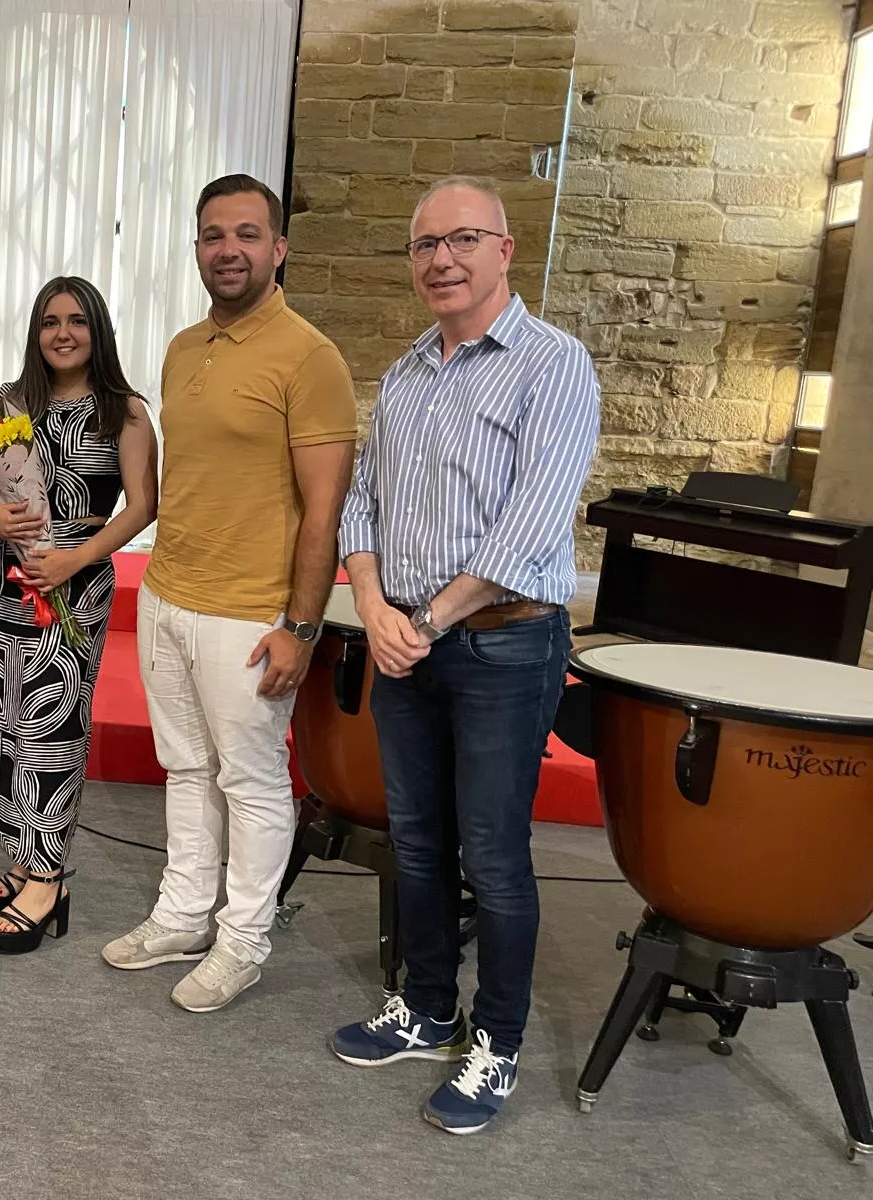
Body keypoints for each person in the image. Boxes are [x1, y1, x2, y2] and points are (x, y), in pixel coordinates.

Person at [330, 176, 600, 1136]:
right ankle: (429, 1008)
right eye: (424, 246)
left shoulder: (553, 366)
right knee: (414, 842)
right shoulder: (405, 373)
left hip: (502, 645)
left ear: (505, 250)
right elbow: (361, 500)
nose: (440, 259)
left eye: (461, 240)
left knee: (492, 854)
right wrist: (370, 602)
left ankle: (497, 1042)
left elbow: (530, 526)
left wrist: (429, 617)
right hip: (404, 638)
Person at [101, 174, 358, 1011]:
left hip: (250, 611)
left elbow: (325, 509)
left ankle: (243, 939)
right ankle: (182, 914)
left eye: (248, 234)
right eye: (214, 235)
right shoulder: (183, 347)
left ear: (279, 249)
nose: (229, 250)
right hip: (170, 592)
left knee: (248, 779)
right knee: (184, 766)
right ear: (198, 248)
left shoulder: (311, 357)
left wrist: (300, 625)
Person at [0, 277, 158, 954]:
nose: (62, 333)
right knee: (6, 714)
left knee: (55, 719)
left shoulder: (125, 411)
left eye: (77, 321)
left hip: (75, 580)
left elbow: (142, 507)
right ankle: (21, 852)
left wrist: (71, 562)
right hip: (5, 574)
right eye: (50, 321)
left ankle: (48, 877)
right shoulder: (8, 400)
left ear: (97, 330)